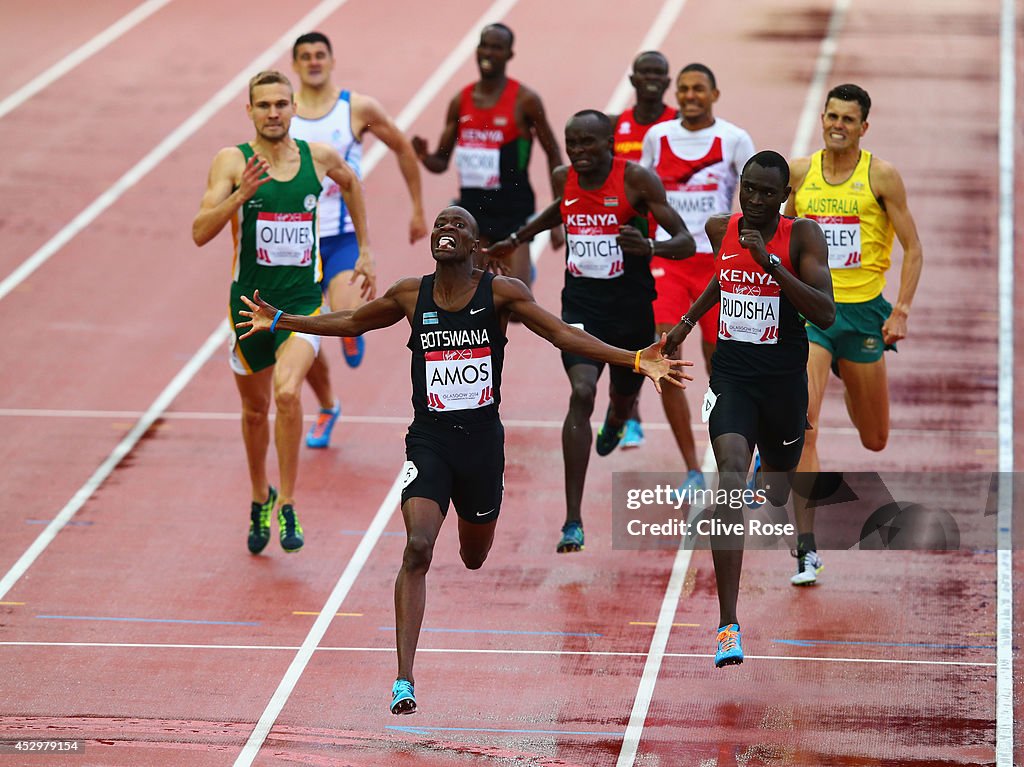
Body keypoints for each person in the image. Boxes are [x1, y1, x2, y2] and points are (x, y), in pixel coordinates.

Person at [235, 205, 691, 715]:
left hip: (481, 446)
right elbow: (351, 320)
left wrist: (632, 359)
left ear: (476, 246)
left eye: (458, 227)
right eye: (439, 226)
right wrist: (282, 320)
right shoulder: (411, 294)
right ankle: (404, 679)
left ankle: (474, 522)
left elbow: (563, 333)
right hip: (429, 441)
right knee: (418, 547)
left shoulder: (501, 294)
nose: (445, 230)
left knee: (474, 556)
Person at [485, 110, 695, 554]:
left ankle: (619, 416)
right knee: (582, 391)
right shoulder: (565, 177)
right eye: (571, 143)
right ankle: (573, 520)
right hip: (581, 306)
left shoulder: (637, 181)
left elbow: (686, 241)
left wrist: (651, 245)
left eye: (587, 144)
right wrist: (518, 238)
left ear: (609, 145)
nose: (578, 153)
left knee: (621, 395)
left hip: (631, 309)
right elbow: (557, 210)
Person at [663, 150, 834, 667]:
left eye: (766, 192)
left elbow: (824, 312)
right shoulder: (722, 228)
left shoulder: (803, 237)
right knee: (731, 478)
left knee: (783, 475)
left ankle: (803, 541)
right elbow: (722, 278)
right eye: (749, 189)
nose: (755, 200)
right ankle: (727, 624)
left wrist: (771, 263)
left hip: (782, 381)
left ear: (784, 197)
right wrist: (684, 328)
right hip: (733, 377)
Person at [191, 70, 371, 555]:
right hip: (248, 308)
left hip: (297, 307)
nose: (274, 113)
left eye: (281, 104)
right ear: (249, 111)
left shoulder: (318, 158)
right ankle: (260, 496)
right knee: (255, 412)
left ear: (294, 108)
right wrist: (240, 196)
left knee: (287, 394)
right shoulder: (233, 161)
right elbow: (200, 231)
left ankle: (288, 501)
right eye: (264, 105)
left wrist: (365, 250)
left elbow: (351, 183)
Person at [785, 84, 923, 585]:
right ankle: (806, 549)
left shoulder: (880, 176)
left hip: (865, 317)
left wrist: (901, 311)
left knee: (875, 439)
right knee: (805, 426)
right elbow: (782, 239)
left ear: (864, 127)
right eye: (831, 116)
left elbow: (914, 248)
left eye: (848, 119)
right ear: (821, 119)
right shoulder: (799, 174)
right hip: (814, 316)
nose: (837, 125)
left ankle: (848, 368)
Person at [290, 31, 427, 449]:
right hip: (297, 243)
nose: (314, 62)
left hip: (343, 235)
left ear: (331, 60)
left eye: (320, 55)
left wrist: (418, 208)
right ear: (295, 65)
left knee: (346, 313)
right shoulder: (284, 114)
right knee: (302, 336)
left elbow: (402, 147)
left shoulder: (356, 109)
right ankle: (328, 405)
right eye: (305, 56)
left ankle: (351, 327)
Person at [641, 63, 755, 491]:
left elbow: (757, 198)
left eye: (699, 89)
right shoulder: (658, 138)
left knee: (721, 365)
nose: (690, 95)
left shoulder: (734, 139)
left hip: (718, 264)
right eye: (683, 89)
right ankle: (691, 467)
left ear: (714, 94)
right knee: (665, 353)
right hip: (669, 263)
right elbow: (642, 192)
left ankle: (740, 459)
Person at [411, 23, 564, 285]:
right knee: (474, 293)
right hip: (473, 212)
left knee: (517, 300)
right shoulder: (461, 101)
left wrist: (558, 219)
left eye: (497, 47)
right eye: (484, 45)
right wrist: (424, 157)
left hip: (513, 210)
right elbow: (441, 162)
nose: (488, 53)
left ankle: (524, 265)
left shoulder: (525, 100)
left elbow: (553, 153)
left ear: (509, 54)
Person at [609, 50, 677, 448]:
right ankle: (630, 415)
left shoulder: (676, 124)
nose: (651, 79)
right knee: (626, 327)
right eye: (644, 73)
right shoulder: (616, 126)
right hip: (624, 240)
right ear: (632, 79)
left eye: (659, 73)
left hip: (667, 240)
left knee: (663, 329)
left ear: (667, 82)